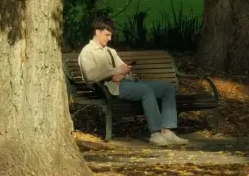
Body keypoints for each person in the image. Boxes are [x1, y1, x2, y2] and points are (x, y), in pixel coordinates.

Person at [78, 15, 189, 146]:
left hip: (124, 82)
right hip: (107, 88)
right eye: (107, 35)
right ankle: (155, 134)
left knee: (167, 89)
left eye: (111, 35)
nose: (110, 38)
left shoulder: (110, 51)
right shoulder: (87, 52)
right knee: (146, 90)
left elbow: (122, 68)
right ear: (97, 32)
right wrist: (114, 73)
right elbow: (90, 76)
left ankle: (167, 131)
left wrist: (123, 73)